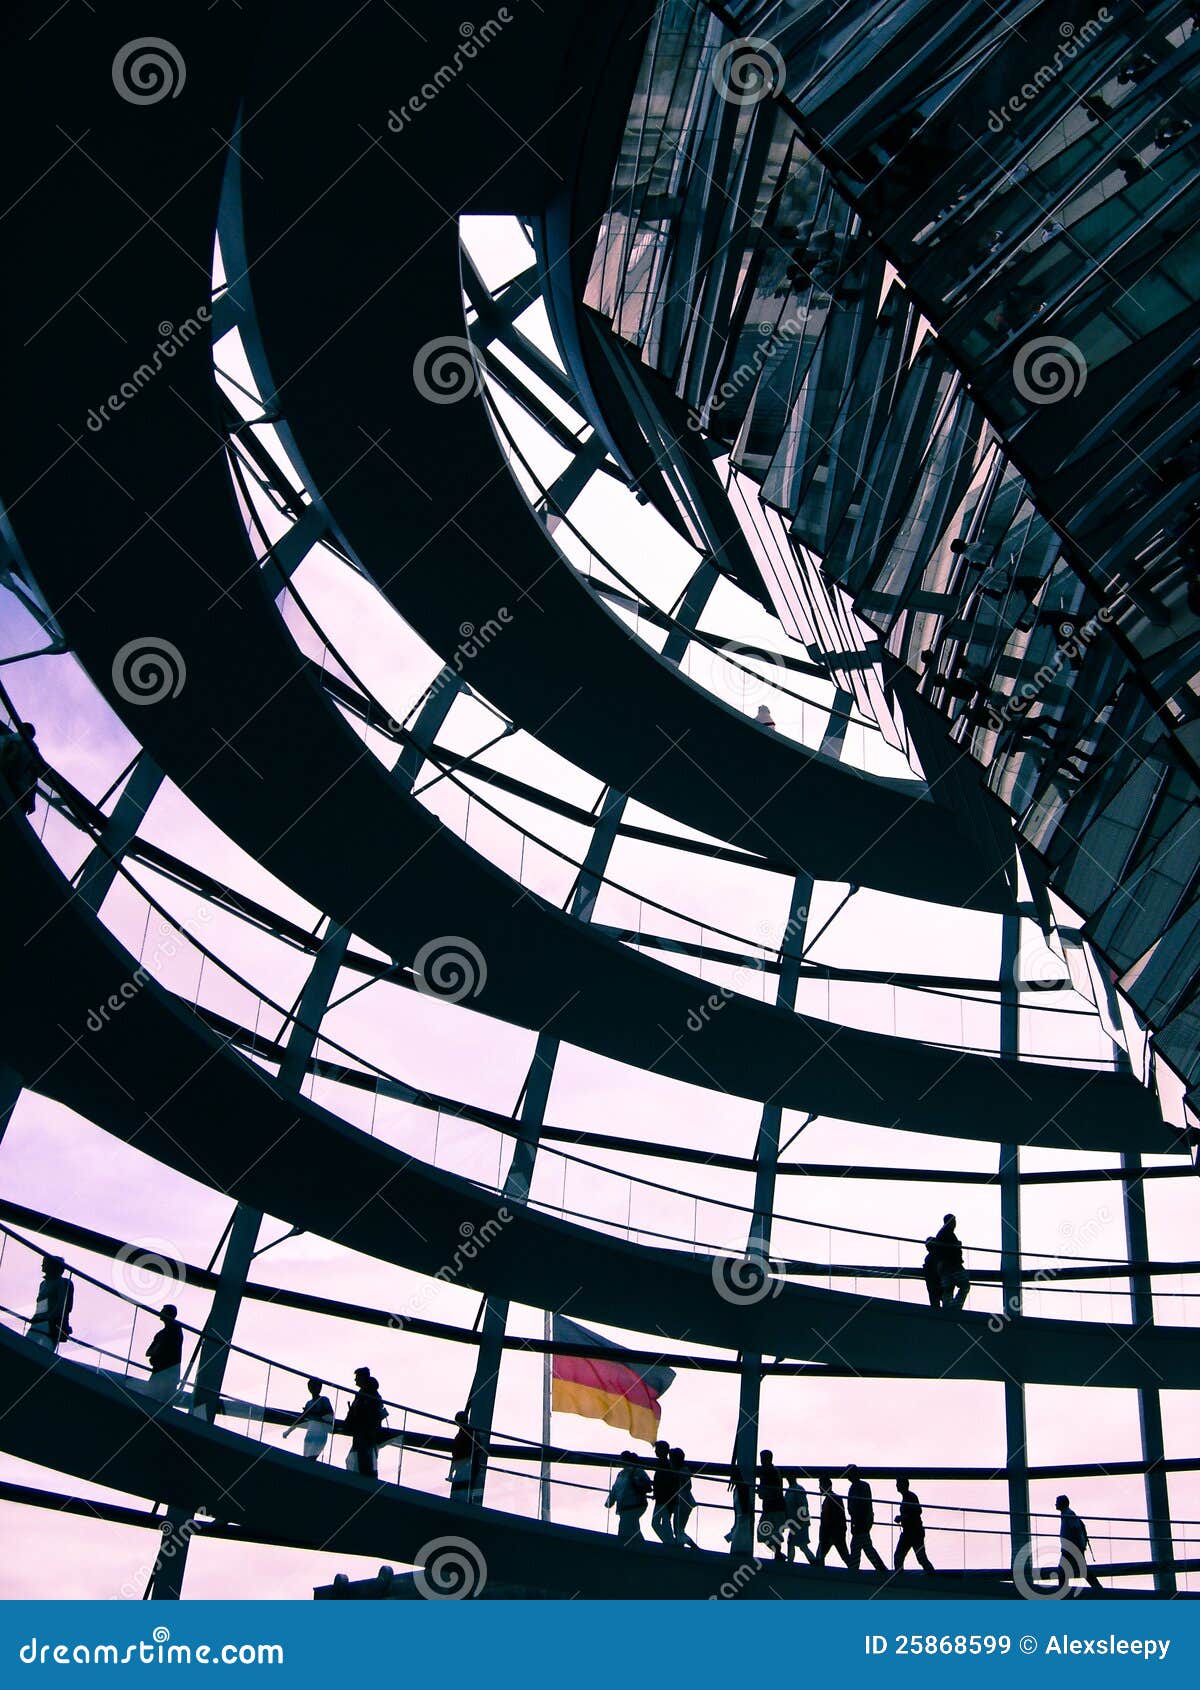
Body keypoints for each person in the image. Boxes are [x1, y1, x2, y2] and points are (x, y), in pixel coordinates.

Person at [344, 1367, 387, 1477]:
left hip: (366, 1433)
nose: (355, 1380)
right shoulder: (366, 1393)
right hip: (364, 1432)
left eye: (357, 1377)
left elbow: (366, 1413)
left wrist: (351, 1420)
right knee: (361, 1459)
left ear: (363, 1378)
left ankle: (365, 1479)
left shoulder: (369, 1394)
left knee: (364, 1459)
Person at [1055, 1495, 1103, 1592]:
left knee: (1063, 1571)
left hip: (1070, 1548)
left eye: (1057, 1502)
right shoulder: (1067, 1514)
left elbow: (1075, 1530)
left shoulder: (1069, 1514)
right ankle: (1098, 1588)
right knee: (1080, 1569)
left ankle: (1063, 1592)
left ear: (1062, 1503)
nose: (1055, 1504)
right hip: (1071, 1548)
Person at [606, 1451, 652, 1545]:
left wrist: (610, 1500)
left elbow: (647, 1487)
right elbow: (615, 1489)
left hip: (635, 1504)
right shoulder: (621, 1474)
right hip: (625, 1505)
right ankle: (639, 1546)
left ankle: (632, 1546)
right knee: (631, 1527)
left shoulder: (637, 1471)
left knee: (626, 1527)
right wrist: (610, 1501)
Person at [28, 1255, 73, 1351]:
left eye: (45, 1262)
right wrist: (35, 1318)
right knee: (27, 1346)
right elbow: (40, 1305)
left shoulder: (63, 1282)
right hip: (39, 1322)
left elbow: (64, 1305)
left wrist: (50, 1317)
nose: (42, 1265)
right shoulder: (43, 1284)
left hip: (51, 1324)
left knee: (45, 1351)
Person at [846, 1464, 886, 1571]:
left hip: (860, 1522)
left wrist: (860, 1520)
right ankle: (880, 1568)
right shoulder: (862, 1486)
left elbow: (858, 1506)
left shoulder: (857, 1488)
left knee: (860, 1547)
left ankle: (854, 1570)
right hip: (862, 1522)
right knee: (864, 1547)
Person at [283, 1377, 335, 1461]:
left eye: (315, 1386)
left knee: (310, 1458)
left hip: (319, 1433)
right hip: (311, 1433)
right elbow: (301, 1419)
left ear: (320, 1388)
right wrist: (288, 1431)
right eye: (311, 1386)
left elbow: (329, 1417)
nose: (313, 1388)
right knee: (306, 1458)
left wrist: (313, 1414)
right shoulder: (309, 1403)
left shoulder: (323, 1400)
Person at [0, 721, 42, 815]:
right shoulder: (32, 749)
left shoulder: (8, 738)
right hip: (15, 788)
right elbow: (34, 774)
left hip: (8, 779)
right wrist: (32, 799)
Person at [894, 1477, 934, 1573]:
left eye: (898, 1484)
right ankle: (931, 1574)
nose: (897, 1486)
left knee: (918, 1557)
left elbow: (917, 1511)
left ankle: (932, 1575)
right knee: (901, 1556)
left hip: (913, 1532)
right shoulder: (908, 1497)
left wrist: (902, 1518)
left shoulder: (910, 1497)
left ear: (904, 1485)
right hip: (910, 1532)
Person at [145, 1303, 183, 1402]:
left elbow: (153, 1351)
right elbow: (149, 1352)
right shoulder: (163, 1333)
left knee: (154, 1400)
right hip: (163, 1371)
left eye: (163, 1311)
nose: (160, 1313)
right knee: (155, 1400)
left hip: (165, 1372)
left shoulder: (174, 1330)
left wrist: (156, 1352)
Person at [934, 1213, 971, 1311]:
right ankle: (955, 1307)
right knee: (964, 1285)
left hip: (945, 1265)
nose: (955, 1224)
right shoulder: (948, 1234)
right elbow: (951, 1251)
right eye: (954, 1221)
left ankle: (948, 1307)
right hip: (952, 1264)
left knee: (948, 1288)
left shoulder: (942, 1233)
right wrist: (958, 1245)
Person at [448, 1409, 485, 1502]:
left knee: (458, 1493)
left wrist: (451, 1471)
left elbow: (456, 1453)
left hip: (464, 1466)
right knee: (465, 1491)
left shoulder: (464, 1434)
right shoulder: (472, 1433)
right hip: (467, 1466)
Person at [814, 1475, 850, 1566]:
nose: (819, 1488)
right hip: (835, 1533)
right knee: (844, 1556)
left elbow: (828, 1519)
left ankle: (820, 1575)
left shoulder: (829, 1500)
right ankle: (854, 1572)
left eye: (821, 1485)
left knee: (820, 1556)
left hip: (830, 1534)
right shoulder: (835, 1498)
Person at [757, 1450, 787, 1560]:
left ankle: (778, 1554)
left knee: (763, 1533)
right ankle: (778, 1554)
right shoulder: (775, 1471)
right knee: (775, 1533)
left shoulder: (767, 1472)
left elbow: (768, 1492)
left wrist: (761, 1492)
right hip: (777, 1507)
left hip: (771, 1508)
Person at [651, 1438, 681, 1544]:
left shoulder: (664, 1465)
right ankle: (669, 1542)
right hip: (663, 1498)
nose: (655, 1451)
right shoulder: (665, 1464)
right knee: (663, 1521)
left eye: (657, 1449)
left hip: (664, 1498)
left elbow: (665, 1481)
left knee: (659, 1522)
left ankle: (670, 1542)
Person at [783, 1471, 816, 1564]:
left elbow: (803, 1506)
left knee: (798, 1544)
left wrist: (799, 1519)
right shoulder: (791, 1491)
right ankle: (813, 1562)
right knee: (800, 1545)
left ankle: (791, 1562)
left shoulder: (796, 1490)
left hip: (799, 1522)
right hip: (796, 1522)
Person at [670, 1448, 699, 1548]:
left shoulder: (682, 1470)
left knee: (678, 1529)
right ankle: (681, 1545)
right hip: (684, 1501)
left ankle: (691, 1545)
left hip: (682, 1501)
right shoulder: (683, 1470)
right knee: (679, 1529)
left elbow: (688, 1485)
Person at [724, 1462, 753, 1544]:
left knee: (738, 1537)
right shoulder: (738, 1489)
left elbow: (744, 1505)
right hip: (741, 1517)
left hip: (742, 1517)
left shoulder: (741, 1488)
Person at [922, 1237, 943, 1309]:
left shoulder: (928, 1258)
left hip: (932, 1285)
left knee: (935, 1306)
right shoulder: (940, 1257)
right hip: (940, 1284)